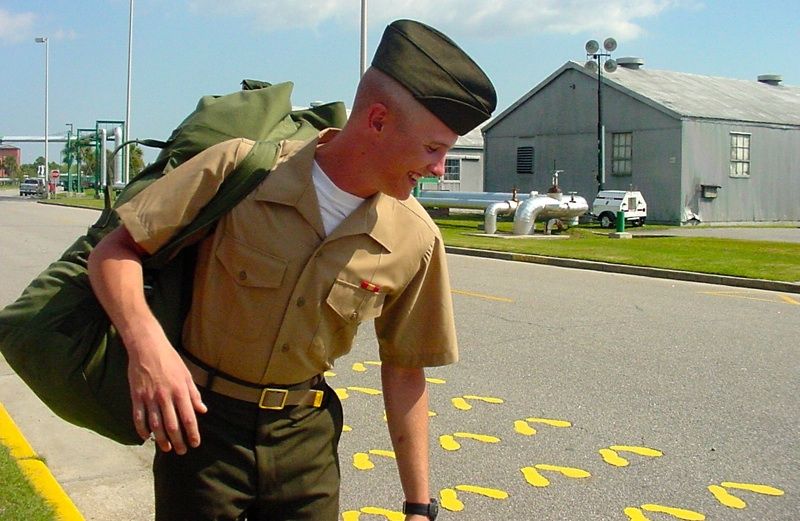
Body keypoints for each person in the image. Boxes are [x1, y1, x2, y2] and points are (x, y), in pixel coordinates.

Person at [88, 19, 496, 521]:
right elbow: (115, 250)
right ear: (377, 120)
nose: (439, 168)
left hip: (305, 443)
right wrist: (147, 348)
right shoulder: (241, 171)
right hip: (201, 432)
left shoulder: (417, 238)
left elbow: (406, 368)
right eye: (433, 148)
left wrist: (418, 506)